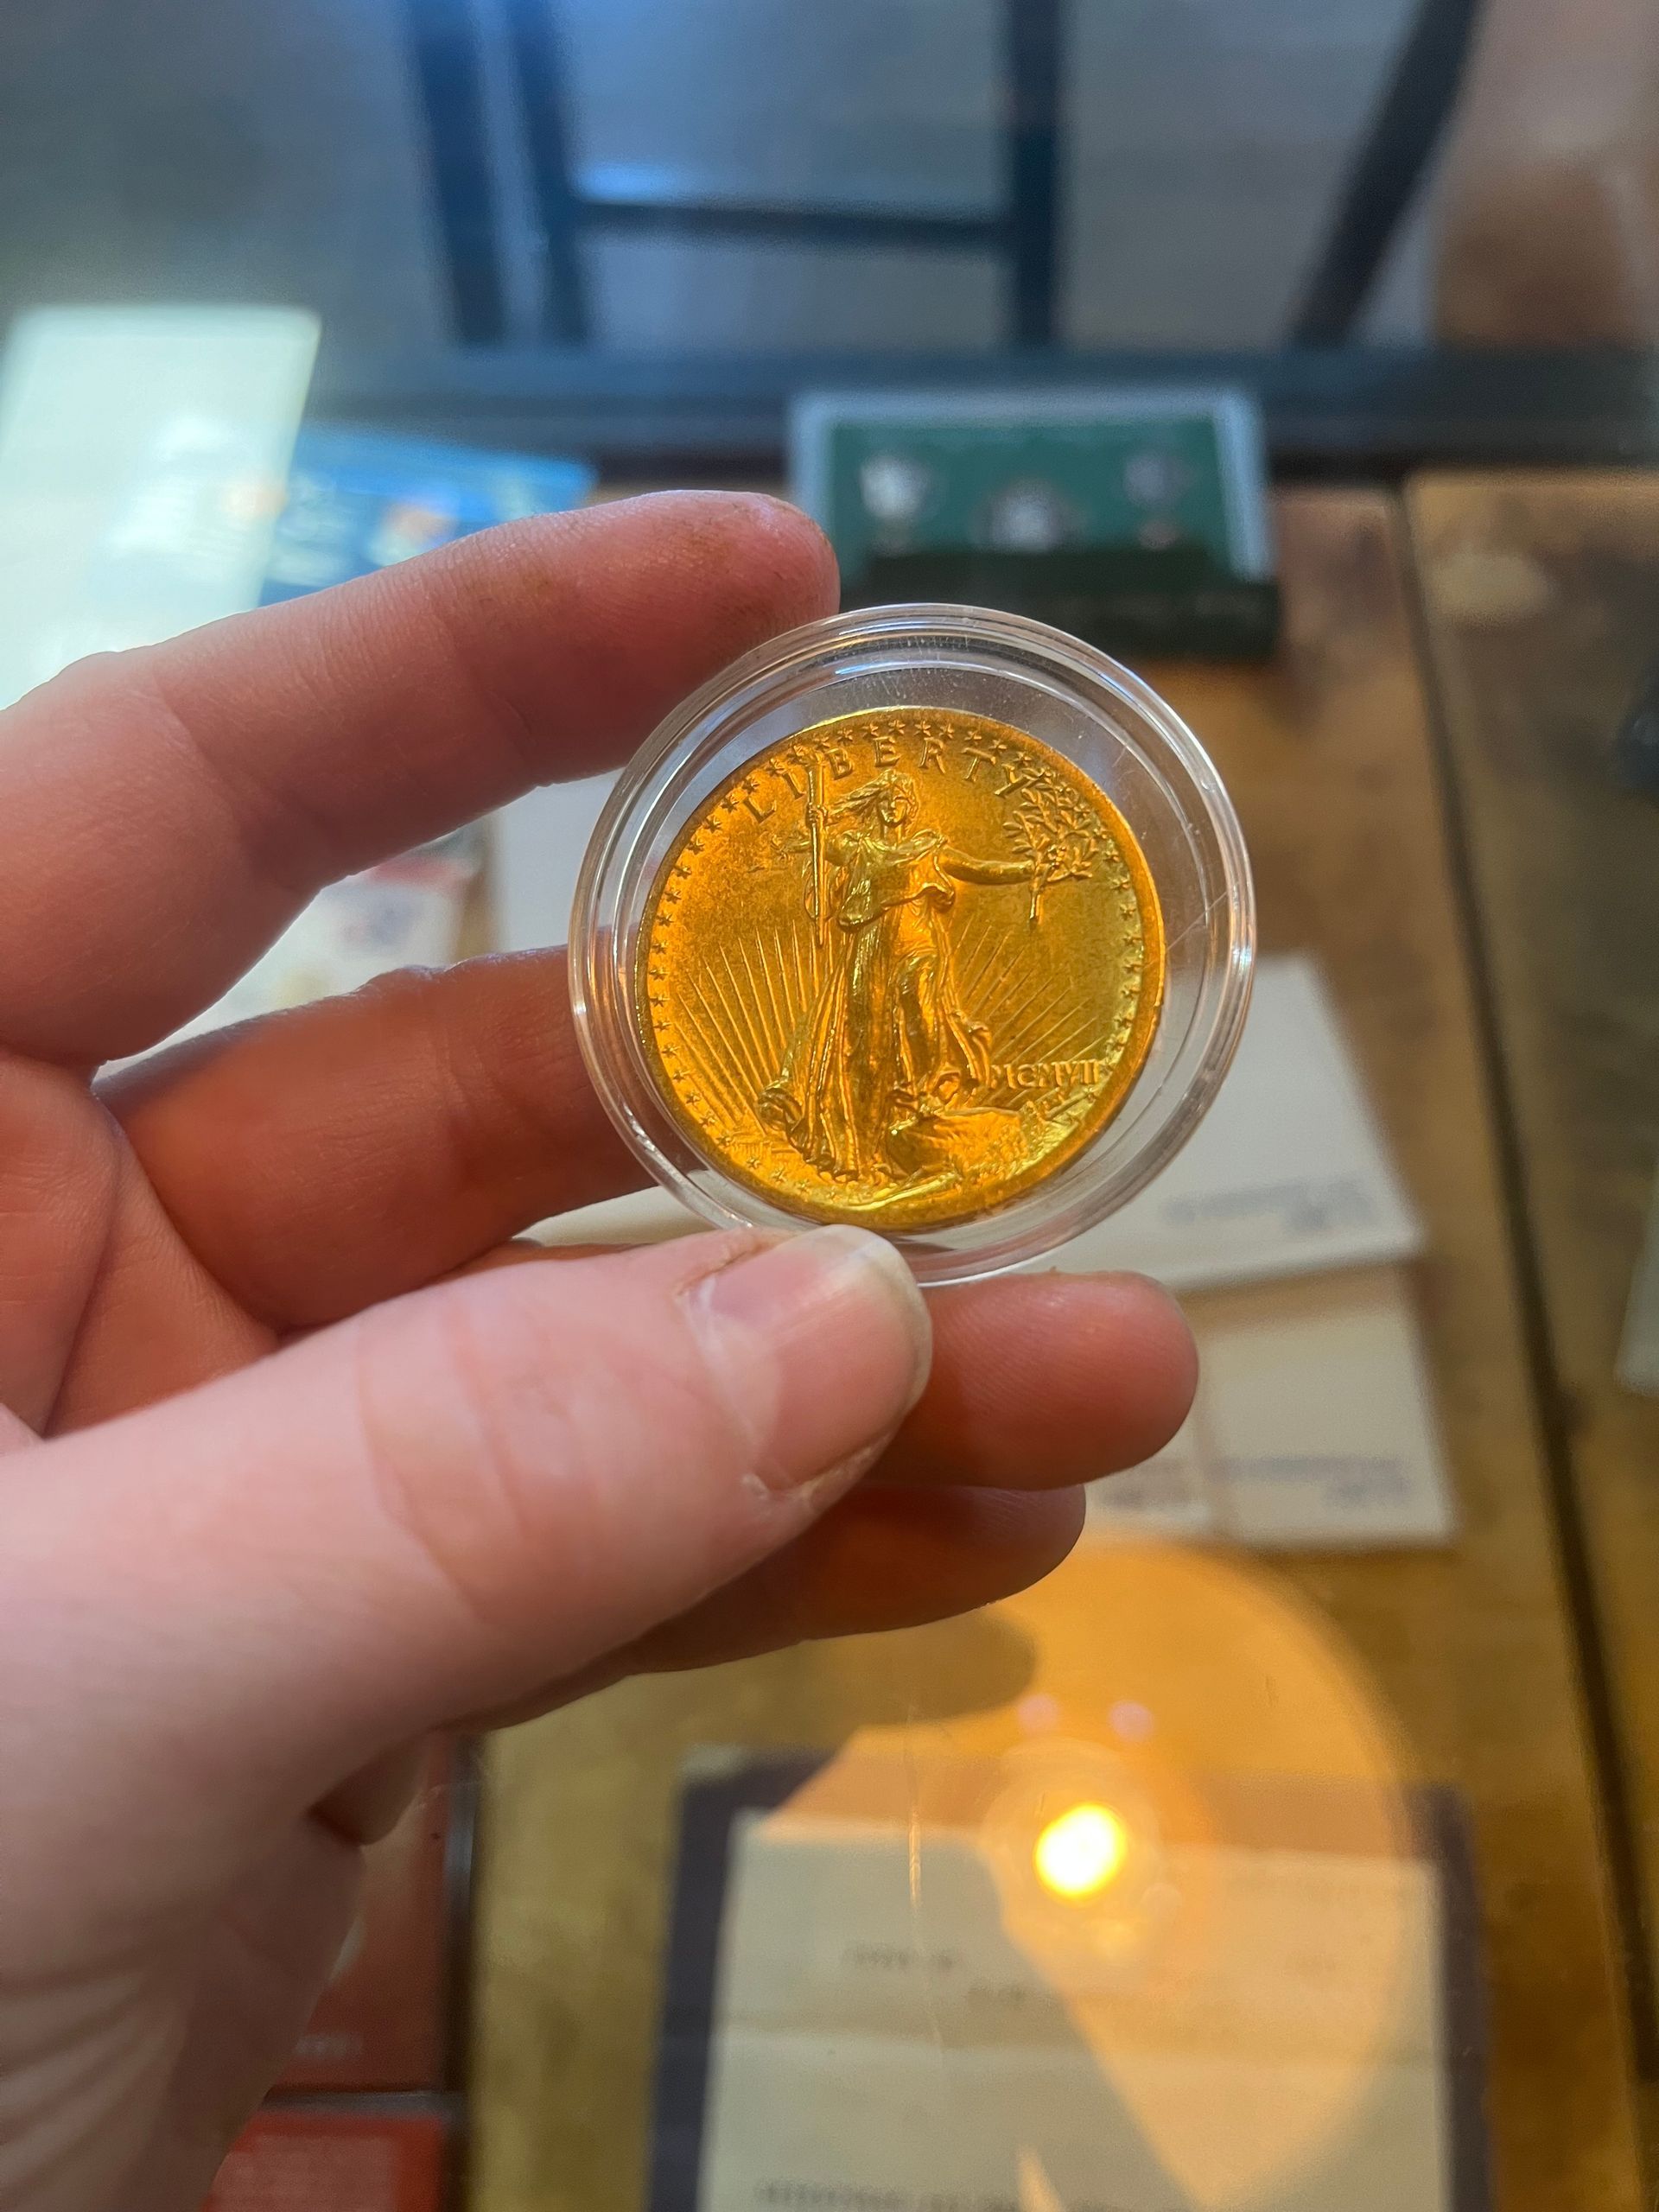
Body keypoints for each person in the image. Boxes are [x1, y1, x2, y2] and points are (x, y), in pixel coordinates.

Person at [0, 492, 1193, 2211]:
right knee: (891, 1068)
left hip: (911, 1003)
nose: (865, 814)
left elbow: (991, 864)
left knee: (915, 1069)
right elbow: (959, 866)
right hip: (876, 1010)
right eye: (861, 809)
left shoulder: (898, 856)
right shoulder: (869, 863)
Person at [760, 766, 1034, 1185]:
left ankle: (929, 1089)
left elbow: (979, 869)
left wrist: (1026, 870)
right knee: (863, 1044)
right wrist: (813, 823)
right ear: (877, 807)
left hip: (917, 945)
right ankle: (864, 1139)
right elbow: (804, 845)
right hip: (869, 951)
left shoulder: (928, 849)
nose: (893, 808)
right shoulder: (859, 848)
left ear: (911, 809)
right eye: (886, 801)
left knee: (918, 998)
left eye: (901, 802)